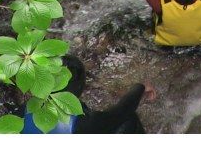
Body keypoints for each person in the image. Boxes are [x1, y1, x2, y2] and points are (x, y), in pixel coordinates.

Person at [20, 56, 156, 134]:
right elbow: (122, 111)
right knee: (129, 121)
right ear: (80, 87)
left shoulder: (23, 110)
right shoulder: (82, 124)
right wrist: (140, 88)